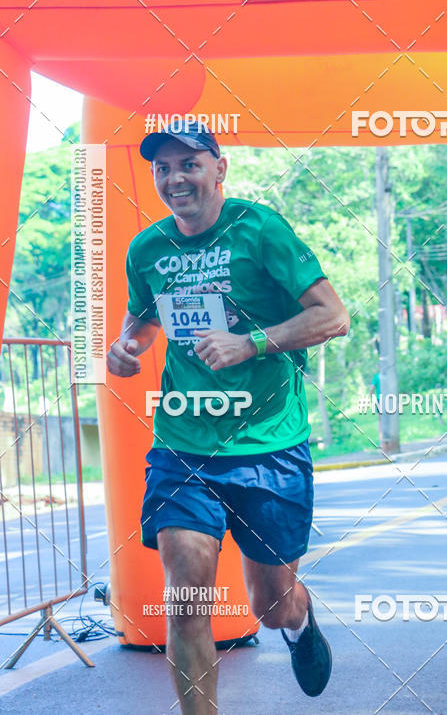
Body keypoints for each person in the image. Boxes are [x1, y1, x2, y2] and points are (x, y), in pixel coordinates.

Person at [106, 121, 350, 714]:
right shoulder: (148, 248)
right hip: (184, 445)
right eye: (162, 168)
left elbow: (333, 316)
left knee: (270, 603)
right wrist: (126, 346)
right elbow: (144, 320)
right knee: (185, 597)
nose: (174, 178)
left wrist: (252, 342)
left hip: (268, 445)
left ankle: (298, 623)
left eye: (188, 164)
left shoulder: (260, 229)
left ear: (220, 168)